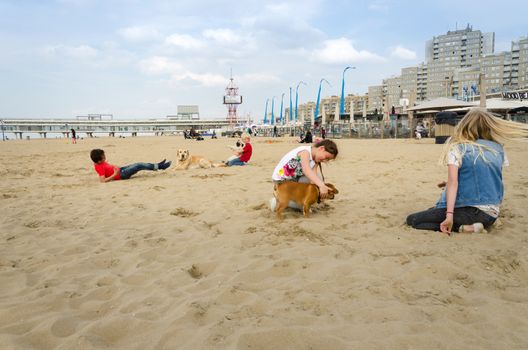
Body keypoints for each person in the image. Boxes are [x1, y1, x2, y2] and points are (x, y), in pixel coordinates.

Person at [406, 108, 528, 235]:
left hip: (470, 211)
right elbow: (486, 177)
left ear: (465, 125)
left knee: (413, 220)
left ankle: (467, 228)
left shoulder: (458, 147)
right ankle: (481, 225)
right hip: (492, 213)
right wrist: (448, 184)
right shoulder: (498, 149)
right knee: (432, 211)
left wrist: (449, 216)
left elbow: (454, 183)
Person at [270, 139, 338, 211]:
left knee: (317, 179)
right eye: (326, 157)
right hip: (282, 181)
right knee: (302, 203)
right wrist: (321, 185)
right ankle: (278, 200)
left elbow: (313, 180)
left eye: (328, 160)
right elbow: (306, 170)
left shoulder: (316, 161)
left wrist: (319, 194)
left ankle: (291, 200)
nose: (325, 161)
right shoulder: (305, 152)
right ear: (321, 149)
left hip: (294, 180)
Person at [90, 149, 171, 182]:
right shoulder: (99, 166)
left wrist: (117, 167)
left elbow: (108, 166)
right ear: (99, 160)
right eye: (103, 157)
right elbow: (102, 180)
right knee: (139, 165)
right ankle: (160, 166)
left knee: (138, 164)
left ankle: (158, 165)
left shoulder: (99, 162)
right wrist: (115, 174)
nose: (105, 157)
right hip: (121, 175)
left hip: (121, 170)